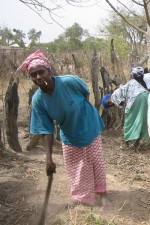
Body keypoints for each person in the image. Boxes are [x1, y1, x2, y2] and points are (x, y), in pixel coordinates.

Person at [17, 50, 108, 207]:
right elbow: (46, 130)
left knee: (95, 160)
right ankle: (81, 197)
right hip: (69, 132)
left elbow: (85, 93)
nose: (38, 77)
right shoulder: (38, 100)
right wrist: (49, 159)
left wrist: (78, 110)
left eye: (41, 72)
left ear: (49, 71)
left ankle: (102, 194)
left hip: (89, 124)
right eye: (33, 75)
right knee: (75, 165)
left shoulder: (69, 81)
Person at [103, 67, 149, 150]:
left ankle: (128, 141)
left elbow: (123, 104)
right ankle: (138, 142)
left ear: (108, 100)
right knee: (142, 120)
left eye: (109, 104)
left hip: (137, 97)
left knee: (129, 121)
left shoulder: (114, 95)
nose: (111, 105)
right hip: (146, 96)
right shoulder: (131, 84)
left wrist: (126, 108)